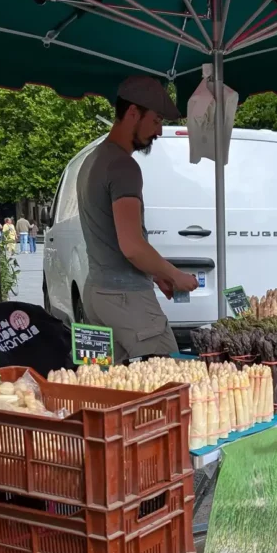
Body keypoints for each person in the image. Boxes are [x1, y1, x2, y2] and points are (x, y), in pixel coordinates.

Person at [77, 75, 198, 364]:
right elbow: (131, 245)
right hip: (126, 298)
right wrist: (174, 274)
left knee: (114, 389)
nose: (158, 131)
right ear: (133, 112)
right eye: (156, 120)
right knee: (168, 379)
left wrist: (156, 273)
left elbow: (111, 237)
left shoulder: (91, 161)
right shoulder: (123, 166)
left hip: (96, 294)